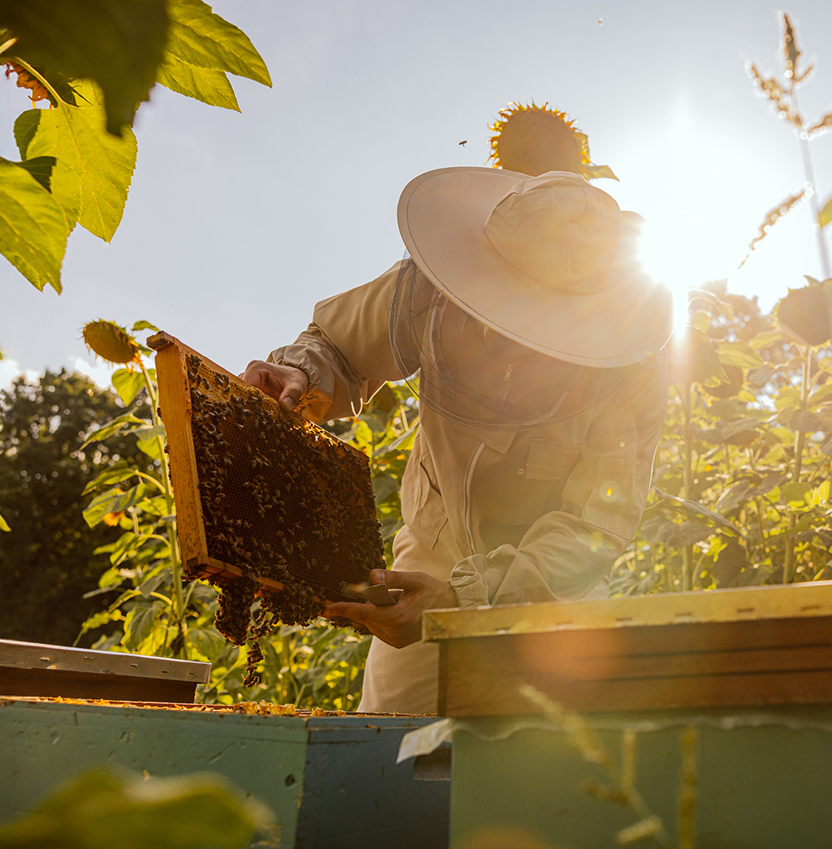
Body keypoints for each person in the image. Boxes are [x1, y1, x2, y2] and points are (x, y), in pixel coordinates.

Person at [241, 168, 672, 715]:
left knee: (552, 756)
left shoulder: (630, 369)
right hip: (430, 558)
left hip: (552, 590)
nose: (501, 328)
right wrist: (302, 373)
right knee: (383, 746)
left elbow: (593, 526)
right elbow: (338, 343)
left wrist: (467, 598)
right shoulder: (426, 287)